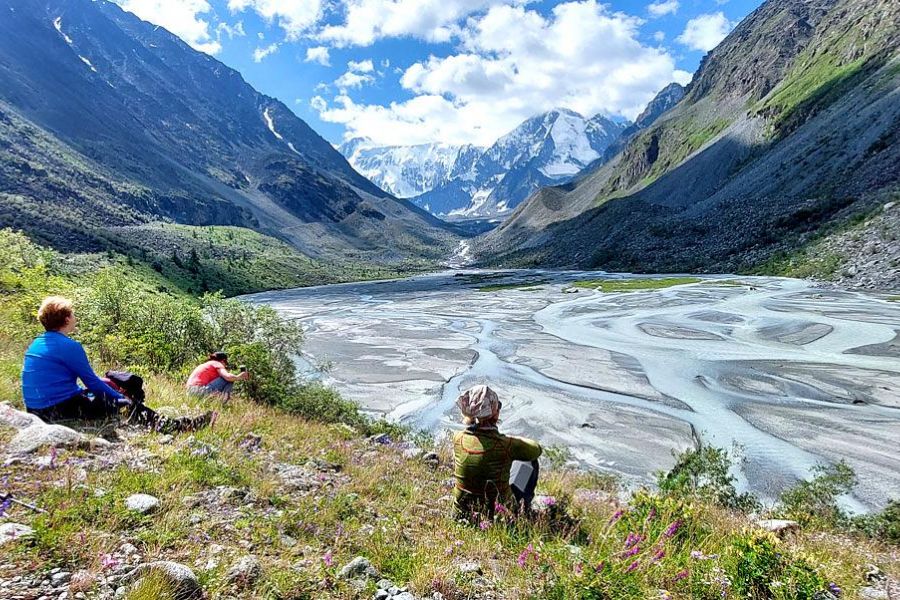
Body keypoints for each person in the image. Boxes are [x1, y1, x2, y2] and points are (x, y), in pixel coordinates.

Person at [21, 296, 214, 432]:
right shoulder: (69, 346)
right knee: (122, 403)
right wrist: (122, 400)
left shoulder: (37, 343)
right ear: (65, 319)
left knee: (105, 388)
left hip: (35, 409)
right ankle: (174, 426)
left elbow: (55, 381)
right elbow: (92, 384)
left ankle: (169, 423)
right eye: (72, 314)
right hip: (57, 411)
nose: (75, 317)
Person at [452, 385, 543, 520]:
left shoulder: (458, 438)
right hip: (498, 515)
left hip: (461, 514)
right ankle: (523, 511)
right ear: (494, 412)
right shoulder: (506, 444)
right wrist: (510, 439)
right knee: (529, 462)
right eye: (498, 406)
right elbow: (536, 449)